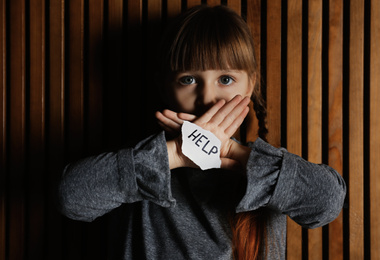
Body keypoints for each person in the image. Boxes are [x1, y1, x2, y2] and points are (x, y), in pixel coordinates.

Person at [58, 5, 346, 260]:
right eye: (189, 79)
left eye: (226, 79)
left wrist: (232, 152)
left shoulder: (267, 166)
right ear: (164, 86)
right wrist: (178, 152)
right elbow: (71, 198)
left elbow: (328, 202)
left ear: (250, 85)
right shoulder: (142, 161)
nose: (208, 97)